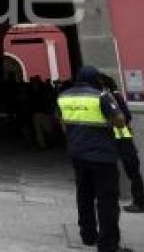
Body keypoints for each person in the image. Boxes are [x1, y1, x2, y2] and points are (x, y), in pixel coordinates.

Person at [57, 66, 133, 252]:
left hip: (77, 154)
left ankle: (87, 234)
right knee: (107, 199)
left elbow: (63, 125)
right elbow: (121, 121)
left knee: (84, 195)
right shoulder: (101, 96)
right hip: (102, 155)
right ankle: (108, 244)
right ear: (96, 79)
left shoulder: (64, 97)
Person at [100, 73, 144, 213]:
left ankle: (139, 203)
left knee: (132, 171)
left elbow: (126, 116)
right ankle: (137, 202)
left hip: (121, 138)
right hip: (122, 137)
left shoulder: (111, 96)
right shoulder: (113, 95)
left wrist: (114, 124)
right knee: (131, 171)